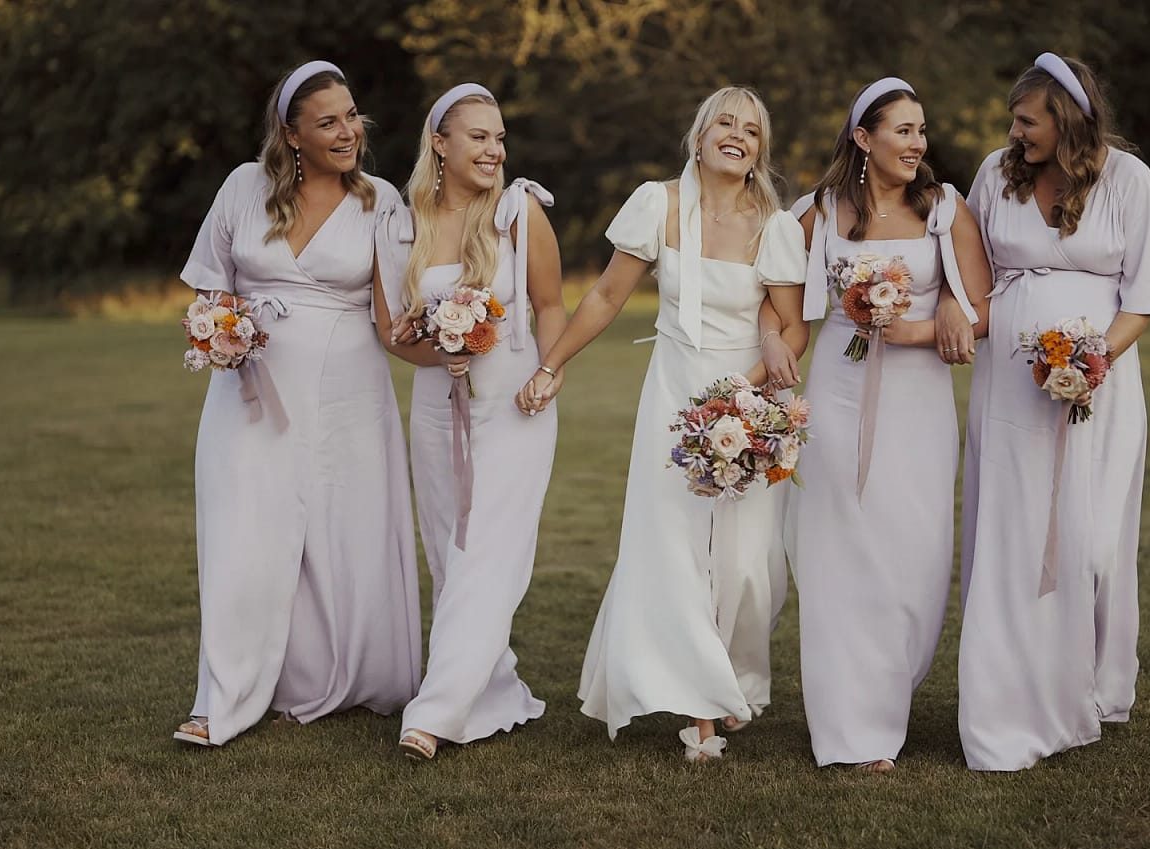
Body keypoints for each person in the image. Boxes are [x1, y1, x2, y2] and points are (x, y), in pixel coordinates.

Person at [521, 87, 808, 762]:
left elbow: (791, 325)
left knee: (747, 568)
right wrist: (551, 365)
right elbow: (606, 295)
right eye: (725, 124)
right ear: (700, 135)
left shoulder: (778, 225)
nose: (737, 135)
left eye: (752, 130)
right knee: (672, 547)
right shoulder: (658, 203)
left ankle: (730, 680)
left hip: (748, 400)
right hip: (675, 394)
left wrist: (755, 377)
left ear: (760, 149)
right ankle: (700, 710)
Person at [173, 61, 421, 747]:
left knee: (344, 534)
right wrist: (220, 330)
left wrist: (461, 347)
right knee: (240, 535)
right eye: (329, 122)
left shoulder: (381, 199)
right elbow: (209, 288)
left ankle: (331, 679)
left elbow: (391, 318)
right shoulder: (242, 187)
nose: (349, 132)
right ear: (292, 134)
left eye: (351, 116)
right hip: (248, 392)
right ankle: (221, 697)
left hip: (351, 392)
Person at [955, 53, 1150, 771]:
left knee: (1094, 539)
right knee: (1014, 531)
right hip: (1010, 383)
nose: (1015, 132)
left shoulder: (1128, 180)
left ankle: (1097, 684)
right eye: (1014, 120)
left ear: (1068, 120)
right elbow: (968, 271)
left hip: (1099, 382)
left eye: (1028, 121)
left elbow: (1142, 297)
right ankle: (1009, 689)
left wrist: (1091, 362)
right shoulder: (996, 173)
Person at [781, 77, 990, 772]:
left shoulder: (945, 210)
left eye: (921, 131)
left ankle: (891, 688)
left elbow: (982, 309)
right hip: (838, 396)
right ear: (864, 139)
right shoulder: (820, 213)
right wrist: (770, 354)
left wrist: (926, 326)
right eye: (903, 130)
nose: (918, 143)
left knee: (912, 553)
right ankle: (850, 724)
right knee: (839, 552)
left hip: (918, 406)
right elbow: (776, 296)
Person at [372, 83, 565, 761]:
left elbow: (549, 304)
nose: (494, 149)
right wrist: (445, 349)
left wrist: (550, 370)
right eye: (479, 136)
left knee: (488, 552)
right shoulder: (398, 225)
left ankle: (434, 712)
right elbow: (392, 333)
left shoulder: (520, 211)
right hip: (436, 405)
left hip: (516, 404)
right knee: (450, 554)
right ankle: (491, 686)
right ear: (440, 142)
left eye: (500, 137)